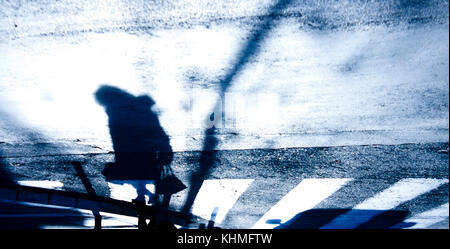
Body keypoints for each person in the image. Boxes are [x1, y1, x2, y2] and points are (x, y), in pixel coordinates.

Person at [95, 85, 186, 228]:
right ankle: (147, 200)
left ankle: (147, 199)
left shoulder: (118, 112)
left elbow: (158, 135)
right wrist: (165, 155)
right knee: (138, 173)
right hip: (137, 152)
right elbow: (159, 135)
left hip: (130, 152)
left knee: (137, 173)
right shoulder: (137, 113)